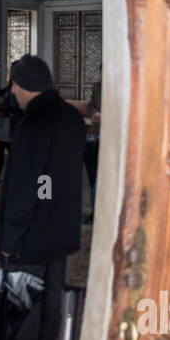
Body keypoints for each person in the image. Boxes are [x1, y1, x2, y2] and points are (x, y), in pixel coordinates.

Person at [0, 54, 85, 340]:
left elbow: (26, 187)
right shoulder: (71, 117)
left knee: (25, 293)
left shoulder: (33, 123)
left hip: (32, 230)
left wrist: (10, 239)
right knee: (52, 291)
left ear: (21, 87)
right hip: (60, 226)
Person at [67, 66, 102, 223]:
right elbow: (90, 105)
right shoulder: (97, 86)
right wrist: (94, 113)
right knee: (93, 175)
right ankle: (95, 210)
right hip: (96, 134)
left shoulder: (121, 86)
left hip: (112, 136)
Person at [0, 61, 20, 183]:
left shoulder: (21, 86)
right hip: (5, 124)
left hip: (12, 124)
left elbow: (15, 106)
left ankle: (14, 178)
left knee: (12, 153)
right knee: (0, 152)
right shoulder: (11, 86)